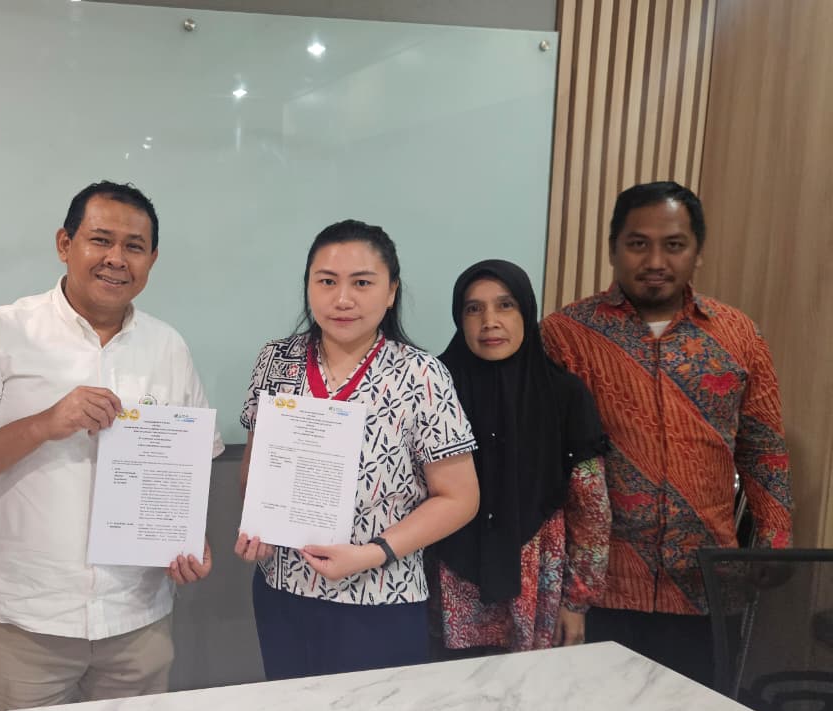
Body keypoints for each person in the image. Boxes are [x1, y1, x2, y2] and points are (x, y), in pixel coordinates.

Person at [0, 181, 222, 711]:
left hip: (137, 617)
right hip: (24, 620)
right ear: (65, 244)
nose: (117, 259)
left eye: (134, 246)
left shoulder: (168, 346)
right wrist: (46, 423)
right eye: (101, 240)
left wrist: (186, 536)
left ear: (152, 259)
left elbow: (189, 464)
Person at [541, 181, 792, 685]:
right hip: (600, 590)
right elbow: (544, 462)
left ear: (697, 251)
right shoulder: (566, 336)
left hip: (707, 586)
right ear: (613, 248)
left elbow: (763, 449)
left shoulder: (739, 336)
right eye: (638, 243)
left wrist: (774, 538)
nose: (655, 260)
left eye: (673, 244)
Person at [234, 219, 480, 680]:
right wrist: (258, 526)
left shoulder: (421, 375)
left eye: (362, 283)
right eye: (327, 281)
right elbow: (254, 467)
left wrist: (371, 553)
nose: (342, 299)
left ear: (391, 292)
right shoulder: (276, 360)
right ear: (308, 286)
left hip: (380, 595)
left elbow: (460, 497)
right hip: (283, 591)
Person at [430, 259, 610, 654]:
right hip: (447, 576)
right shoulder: (433, 389)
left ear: (526, 311)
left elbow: (591, 509)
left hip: (537, 575)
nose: (489, 321)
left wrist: (577, 602)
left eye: (505, 305)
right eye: (473, 308)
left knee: (526, 690)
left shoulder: (564, 395)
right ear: (460, 319)